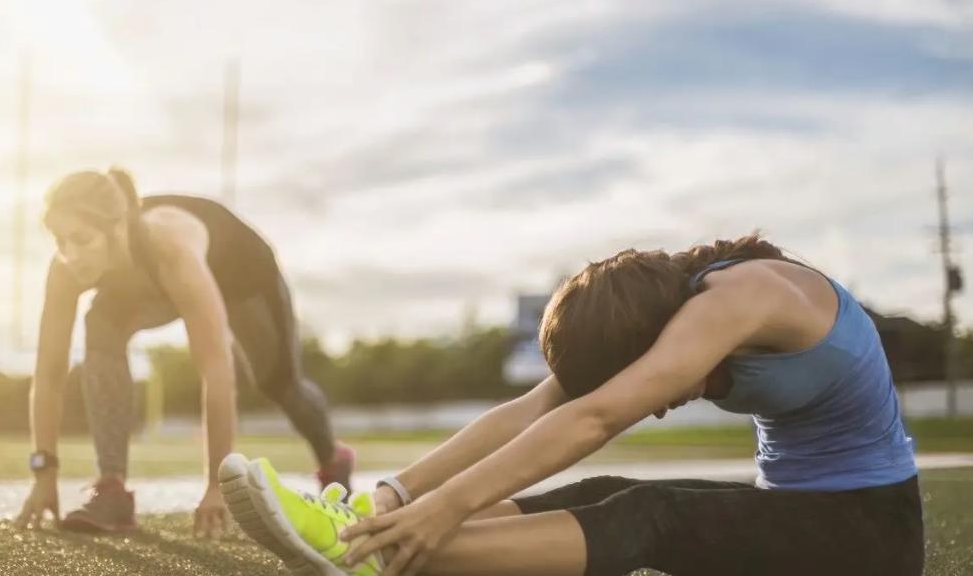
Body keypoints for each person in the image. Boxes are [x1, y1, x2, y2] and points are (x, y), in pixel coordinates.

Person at [220, 234, 924, 575]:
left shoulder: (741, 301)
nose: (655, 404)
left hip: (866, 537)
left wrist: (449, 509)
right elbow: (532, 410)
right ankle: (374, 530)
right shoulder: (654, 303)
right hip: (795, 512)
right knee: (602, 490)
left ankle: (383, 557)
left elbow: (596, 416)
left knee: (649, 513)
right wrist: (398, 489)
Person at [15, 167, 354, 536]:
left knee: (278, 384)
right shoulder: (66, 268)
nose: (70, 254)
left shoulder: (170, 250)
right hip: (147, 287)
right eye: (59, 241)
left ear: (118, 227)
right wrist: (43, 473)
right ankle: (111, 490)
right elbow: (48, 374)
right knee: (101, 325)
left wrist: (216, 486)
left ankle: (334, 460)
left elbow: (215, 370)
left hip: (242, 277)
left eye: (81, 239)